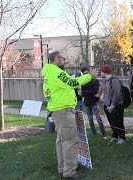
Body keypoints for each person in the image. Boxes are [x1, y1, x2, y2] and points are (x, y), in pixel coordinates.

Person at [42, 51, 96, 179]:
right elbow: (72, 82)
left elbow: (65, 86)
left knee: (61, 140)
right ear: (56, 59)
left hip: (57, 110)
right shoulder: (56, 72)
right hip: (63, 111)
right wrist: (90, 76)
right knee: (70, 140)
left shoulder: (49, 73)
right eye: (63, 58)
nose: (65, 60)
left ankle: (63, 168)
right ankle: (70, 171)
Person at [101, 65, 126, 144]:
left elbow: (117, 94)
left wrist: (112, 105)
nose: (100, 73)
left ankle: (122, 137)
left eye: (101, 71)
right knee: (112, 122)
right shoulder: (105, 81)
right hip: (107, 105)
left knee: (118, 122)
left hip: (116, 106)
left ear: (104, 72)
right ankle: (115, 136)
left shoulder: (114, 80)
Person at [80, 67, 107, 138]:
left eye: (87, 73)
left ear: (89, 72)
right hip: (87, 103)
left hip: (94, 102)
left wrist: (87, 92)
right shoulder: (83, 82)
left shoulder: (95, 81)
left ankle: (103, 132)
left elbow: (96, 91)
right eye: (84, 74)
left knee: (98, 118)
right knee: (90, 119)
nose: (86, 74)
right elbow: (83, 93)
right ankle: (94, 132)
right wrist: (90, 92)